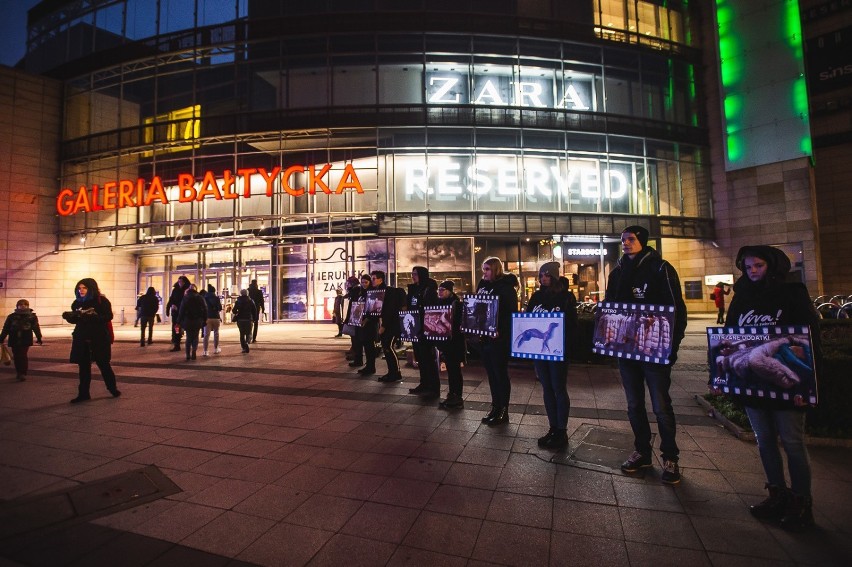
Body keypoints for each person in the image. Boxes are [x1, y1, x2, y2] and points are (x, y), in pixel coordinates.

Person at [714, 245, 820, 530]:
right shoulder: (742, 296)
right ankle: (776, 492)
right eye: (748, 267)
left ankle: (801, 501)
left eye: (758, 266)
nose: (753, 272)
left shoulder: (792, 293)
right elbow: (729, 336)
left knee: (793, 442)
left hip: (788, 385)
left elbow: (811, 338)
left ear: (772, 265)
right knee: (765, 440)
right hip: (753, 383)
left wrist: (810, 386)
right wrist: (722, 377)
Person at [605, 225, 687, 484]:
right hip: (627, 350)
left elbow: (677, 311)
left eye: (631, 239)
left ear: (642, 241)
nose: (626, 243)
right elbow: (610, 308)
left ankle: (670, 457)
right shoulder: (617, 272)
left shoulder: (661, 268)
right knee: (633, 405)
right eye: (623, 240)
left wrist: (671, 347)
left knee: (661, 407)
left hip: (654, 349)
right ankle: (642, 451)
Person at [526, 262, 578, 449]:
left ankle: (561, 430)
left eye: (547, 275)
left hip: (558, 352)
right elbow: (527, 320)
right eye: (541, 275)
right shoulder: (536, 296)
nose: (543, 278)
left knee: (558, 388)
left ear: (554, 276)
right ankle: (553, 427)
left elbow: (572, 325)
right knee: (547, 388)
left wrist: (566, 347)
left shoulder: (566, 297)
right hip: (540, 352)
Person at [62, 278, 120, 403]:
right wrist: (70, 317)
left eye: (84, 288)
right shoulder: (77, 302)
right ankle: (83, 393)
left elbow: (108, 316)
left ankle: (112, 388)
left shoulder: (102, 301)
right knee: (83, 367)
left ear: (91, 288)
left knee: (103, 364)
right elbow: (76, 320)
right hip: (82, 337)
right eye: (79, 288)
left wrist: (93, 317)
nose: (81, 290)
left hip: (98, 338)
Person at [477, 257, 519, 425]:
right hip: (485, 336)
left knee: (500, 373)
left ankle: (503, 410)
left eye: (487, 269)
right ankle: (495, 407)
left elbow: (511, 314)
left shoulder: (506, 288)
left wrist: (500, 330)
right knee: (491, 374)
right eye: (483, 269)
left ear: (495, 269)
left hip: (498, 338)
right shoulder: (483, 285)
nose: (484, 272)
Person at [407, 266, 440, 397]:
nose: (412, 276)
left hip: (426, 329)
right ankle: (424, 383)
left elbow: (432, 309)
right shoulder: (415, 289)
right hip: (416, 327)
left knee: (428, 359)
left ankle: (433, 387)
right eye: (412, 273)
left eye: (415, 274)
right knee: (420, 358)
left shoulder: (429, 290)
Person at [434, 281, 466, 409]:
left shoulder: (456, 304)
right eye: (439, 290)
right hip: (446, 342)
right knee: (451, 370)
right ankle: (452, 394)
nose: (440, 292)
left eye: (443, 290)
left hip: (454, 342)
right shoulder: (441, 303)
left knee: (454, 370)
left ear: (450, 291)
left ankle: (456, 396)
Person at [371, 270, 406, 383]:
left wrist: (384, 326)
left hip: (391, 325)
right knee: (386, 348)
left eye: (374, 278)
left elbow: (389, 310)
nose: (372, 280)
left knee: (389, 347)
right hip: (386, 324)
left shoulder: (387, 291)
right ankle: (392, 372)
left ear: (381, 279)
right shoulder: (377, 291)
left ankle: (395, 372)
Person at [0, 299, 43, 381]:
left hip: (25, 338)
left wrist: (39, 337)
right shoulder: (11, 316)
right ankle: (18, 372)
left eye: (25, 304)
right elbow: (6, 328)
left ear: (27, 306)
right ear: (17, 306)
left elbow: (36, 327)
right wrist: (1, 338)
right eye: (21, 304)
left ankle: (22, 373)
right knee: (16, 356)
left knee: (22, 355)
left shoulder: (31, 316)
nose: (23, 306)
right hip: (14, 338)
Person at [353, 274, 380, 376]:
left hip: (369, 324)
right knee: (364, 344)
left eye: (366, 282)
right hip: (360, 322)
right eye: (362, 282)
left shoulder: (372, 293)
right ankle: (368, 365)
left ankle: (371, 366)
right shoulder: (361, 293)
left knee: (369, 346)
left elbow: (375, 309)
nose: (364, 284)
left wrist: (367, 319)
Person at [178, 284, 208, 361]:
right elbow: (205, 309)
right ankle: (194, 350)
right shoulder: (200, 298)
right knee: (195, 336)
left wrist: (179, 320)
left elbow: (181, 310)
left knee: (188, 338)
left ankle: (188, 354)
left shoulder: (185, 298)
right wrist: (205, 319)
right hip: (197, 320)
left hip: (187, 320)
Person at [165, 275, 191, 351]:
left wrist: (178, 307)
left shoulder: (187, 290)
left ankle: (187, 343)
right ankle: (176, 342)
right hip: (175, 313)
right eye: (179, 281)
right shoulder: (175, 290)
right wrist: (169, 307)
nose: (180, 283)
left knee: (185, 328)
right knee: (176, 328)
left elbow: (186, 302)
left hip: (183, 313)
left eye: (181, 281)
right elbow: (171, 299)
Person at [343, 276, 363, 360]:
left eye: (349, 283)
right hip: (352, 314)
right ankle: (353, 349)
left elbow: (354, 301)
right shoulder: (355, 290)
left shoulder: (356, 290)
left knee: (355, 336)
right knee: (353, 335)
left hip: (355, 315)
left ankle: (355, 352)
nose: (348, 285)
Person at [231, 289, 257, 353]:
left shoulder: (238, 301)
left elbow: (234, 311)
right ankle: (247, 343)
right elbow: (254, 311)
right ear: (247, 293)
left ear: (241, 293)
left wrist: (238, 312)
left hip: (240, 320)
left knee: (242, 334)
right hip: (248, 319)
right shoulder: (251, 301)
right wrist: (254, 319)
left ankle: (243, 348)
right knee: (249, 333)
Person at [203, 284, 223, 356]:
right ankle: (216, 348)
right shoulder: (216, 298)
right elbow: (220, 308)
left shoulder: (204, 298)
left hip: (207, 317)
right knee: (216, 333)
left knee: (206, 335)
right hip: (216, 317)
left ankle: (205, 351)